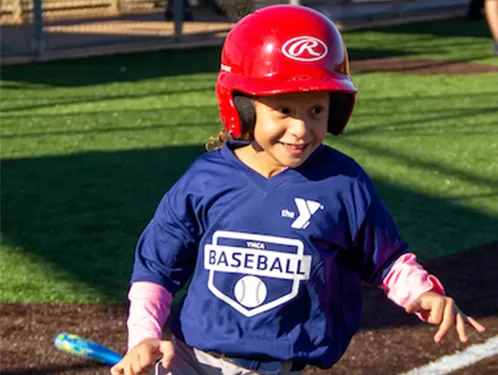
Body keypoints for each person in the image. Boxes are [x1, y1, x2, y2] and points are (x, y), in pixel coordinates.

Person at [110, 5, 486, 375]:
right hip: (189, 360)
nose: (301, 129)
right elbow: (156, 269)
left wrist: (423, 294)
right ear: (242, 107)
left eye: (316, 111)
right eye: (284, 109)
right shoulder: (204, 179)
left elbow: (386, 258)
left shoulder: (342, 183)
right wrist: (143, 336)